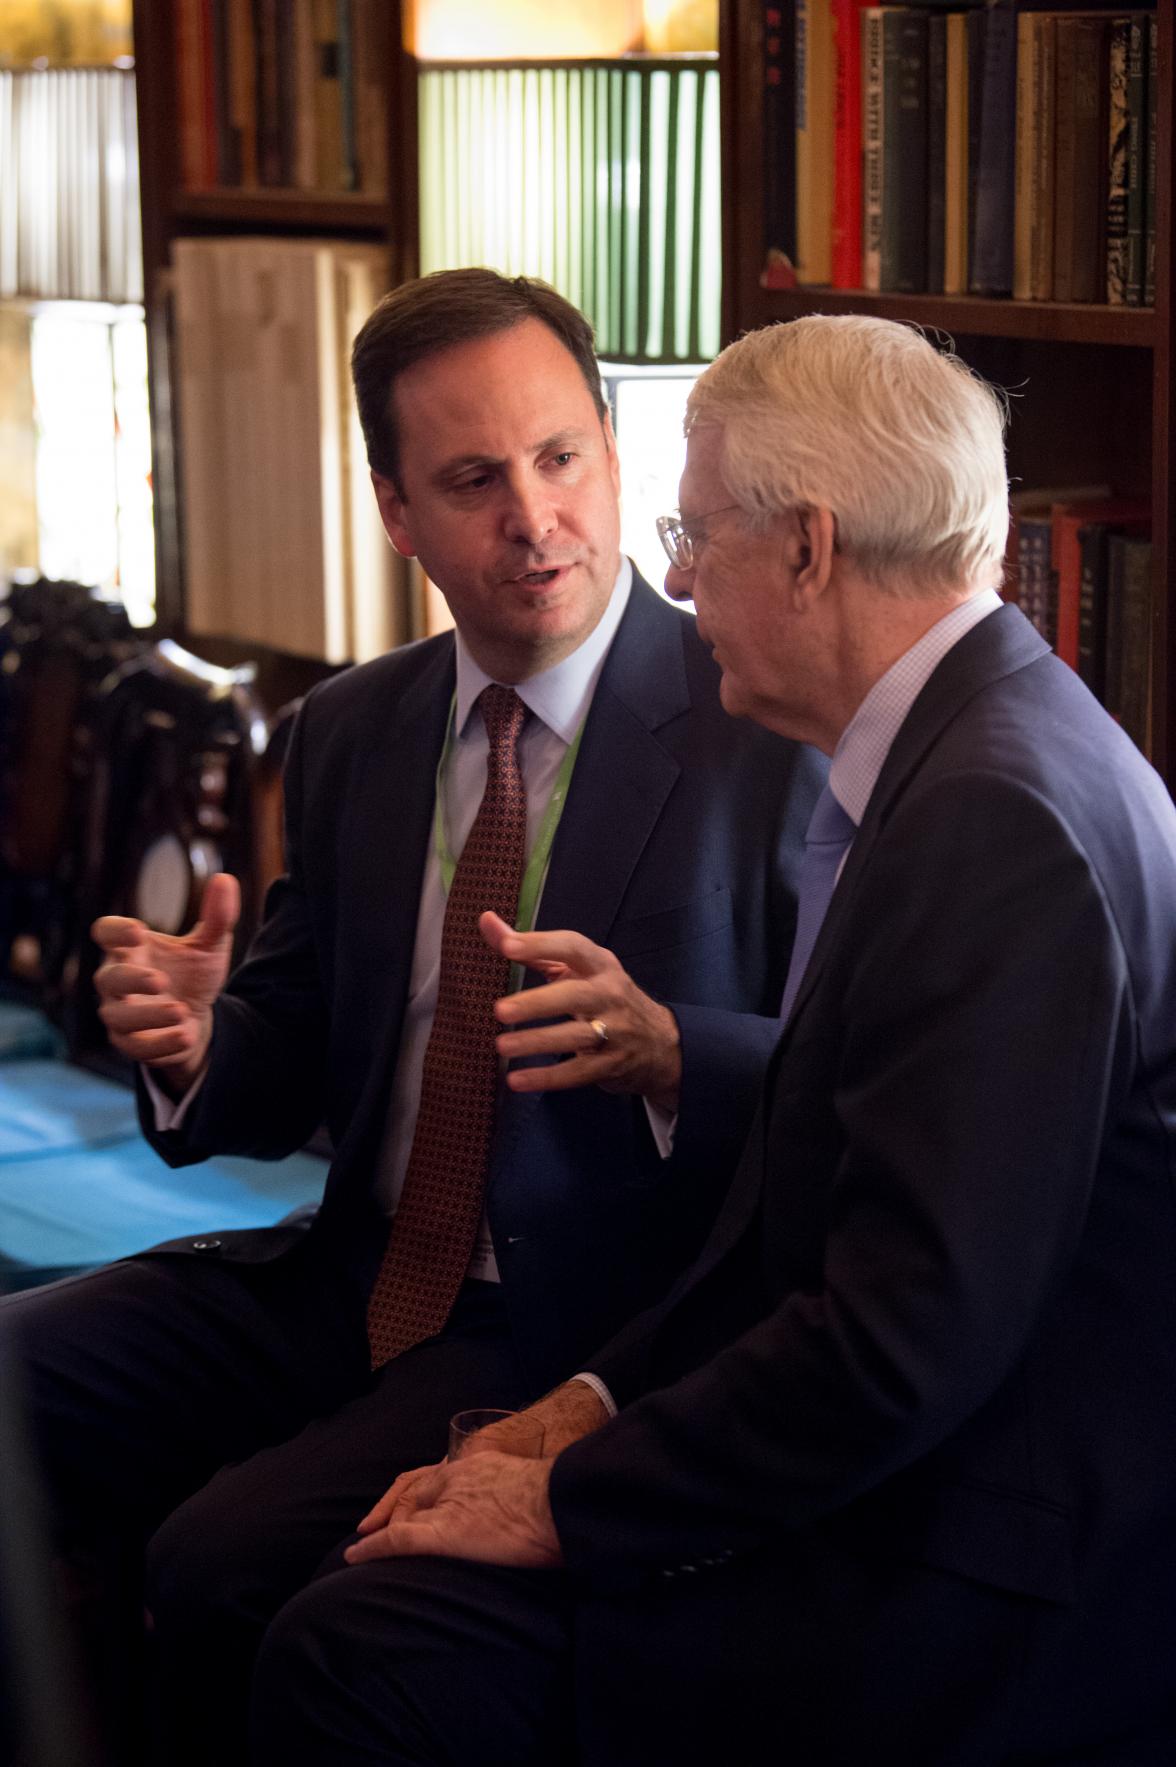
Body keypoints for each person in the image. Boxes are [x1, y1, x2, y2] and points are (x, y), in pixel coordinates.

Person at [250, 313, 1176, 1767]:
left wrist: (577, 1494)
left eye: (696, 532)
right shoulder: (963, 749)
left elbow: (898, 1344)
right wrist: (582, 1407)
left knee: (361, 1643)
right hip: (908, 1462)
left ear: (808, 548)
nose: (671, 577)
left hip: (974, 1561)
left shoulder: (994, 819)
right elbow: (815, 1221)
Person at [0, 270, 824, 1764]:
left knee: (220, 1559)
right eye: (471, 480)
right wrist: (197, 1047)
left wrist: (669, 1049)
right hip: (355, 1269)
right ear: (396, 514)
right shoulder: (356, 730)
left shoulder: (757, 721)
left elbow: (854, 1080)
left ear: (614, 456)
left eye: (562, 458)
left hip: (571, 1319)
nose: (535, 519)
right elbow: (295, 1042)